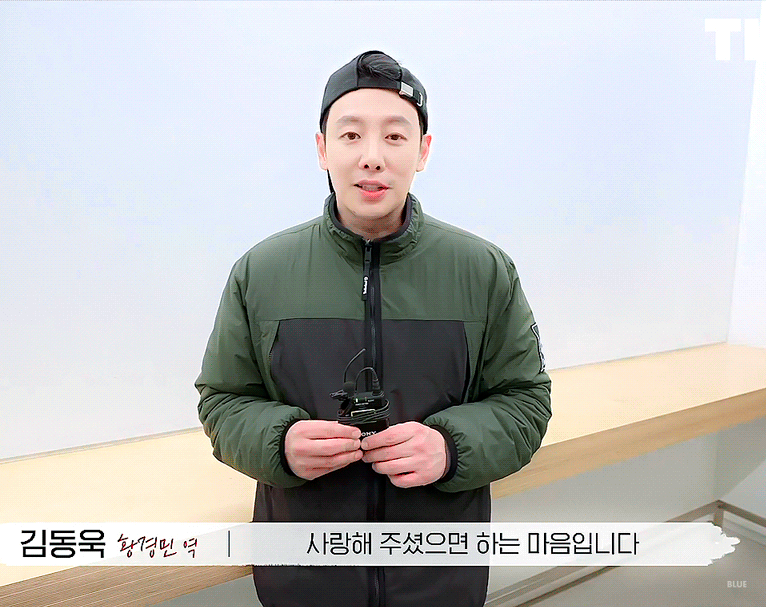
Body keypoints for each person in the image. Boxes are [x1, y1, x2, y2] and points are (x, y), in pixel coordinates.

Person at [196, 50, 552, 607]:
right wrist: (279, 443)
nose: (371, 157)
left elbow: (525, 402)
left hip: (441, 580)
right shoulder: (259, 272)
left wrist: (450, 448)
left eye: (394, 136)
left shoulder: (484, 271)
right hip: (301, 581)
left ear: (423, 151)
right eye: (350, 135)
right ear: (322, 149)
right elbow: (222, 401)